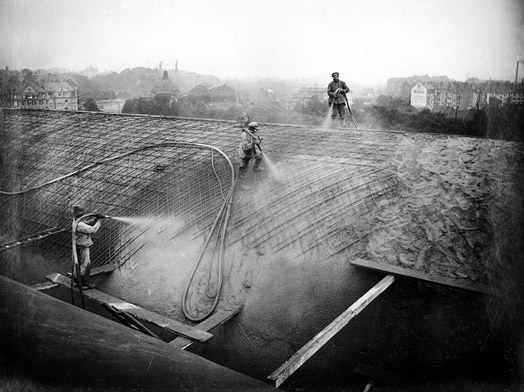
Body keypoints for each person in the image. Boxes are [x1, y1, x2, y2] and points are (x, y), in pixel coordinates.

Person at [72, 205, 103, 289]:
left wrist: (95, 220)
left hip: (77, 246)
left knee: (77, 264)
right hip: (83, 246)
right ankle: (84, 284)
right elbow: (92, 230)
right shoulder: (80, 224)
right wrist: (99, 222)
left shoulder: (76, 221)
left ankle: (76, 281)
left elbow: (87, 224)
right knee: (85, 265)